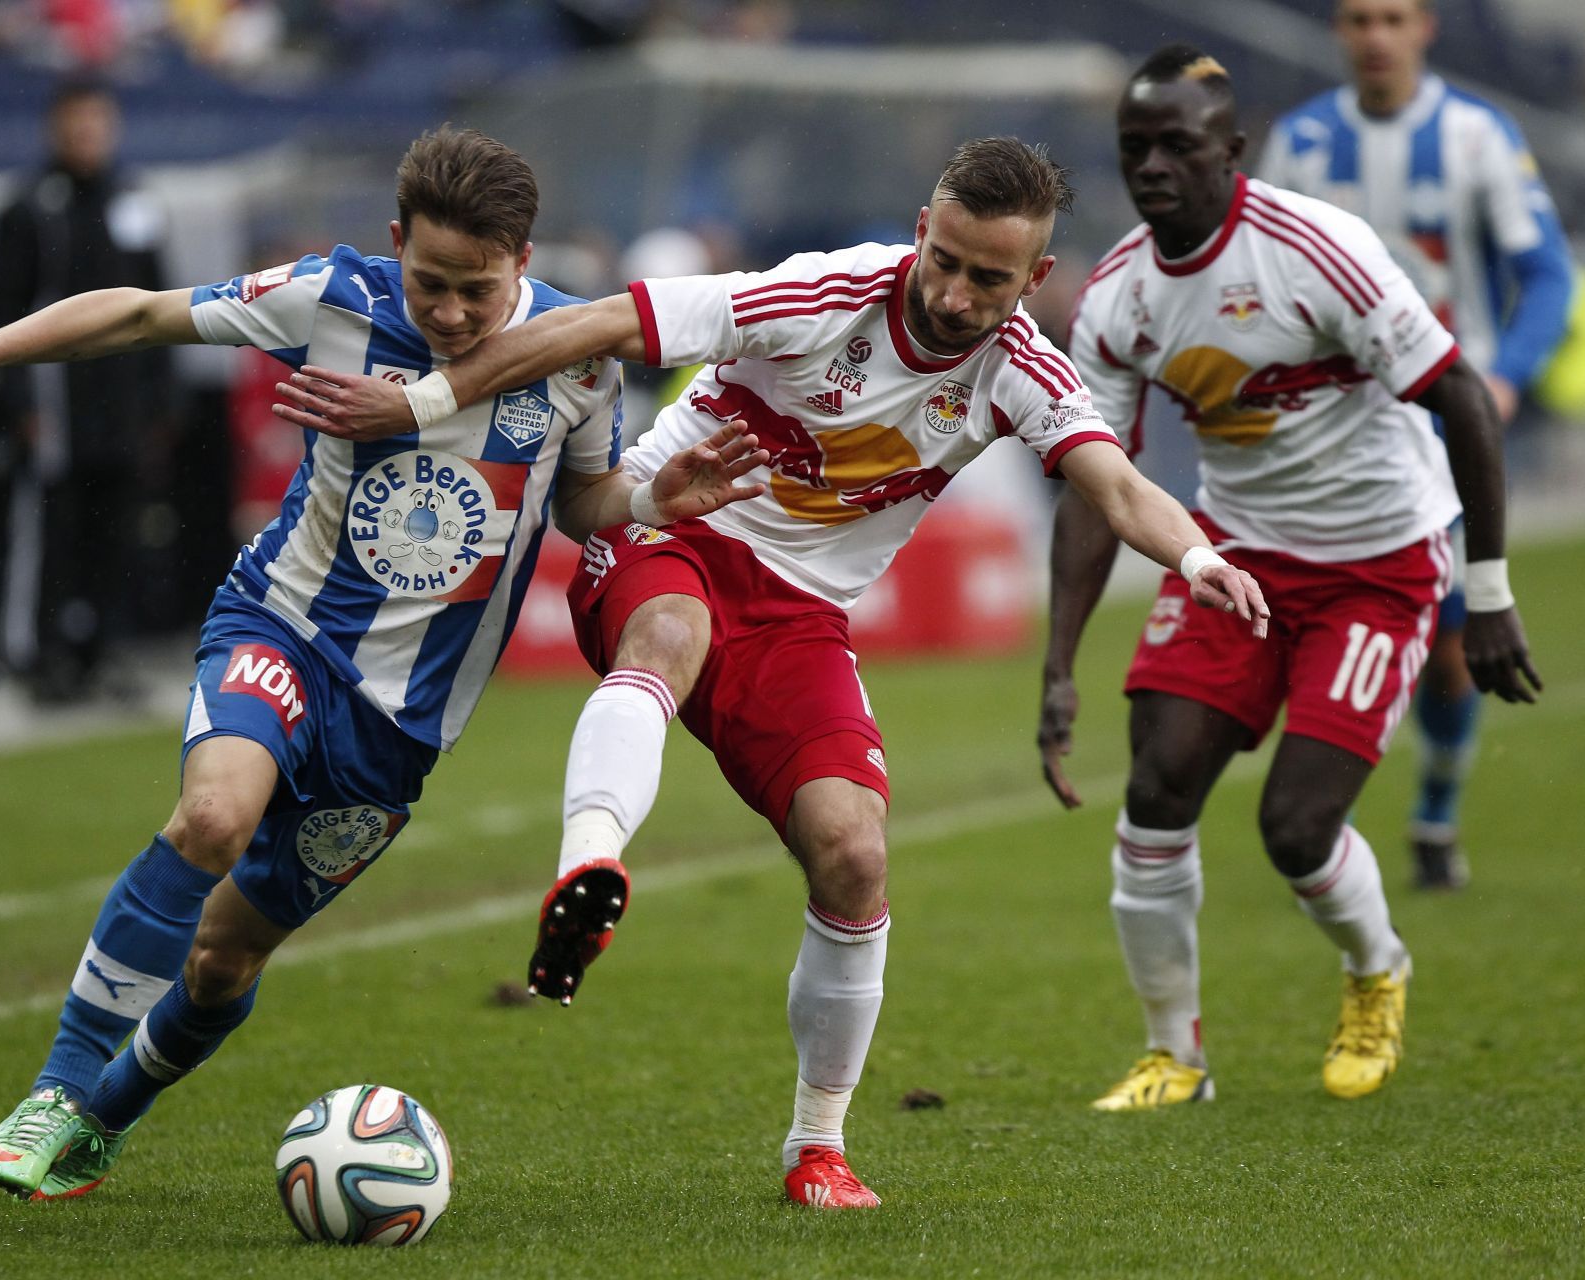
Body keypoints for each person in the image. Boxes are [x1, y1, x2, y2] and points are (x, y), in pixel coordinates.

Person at [278, 136, 1269, 1208]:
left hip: (800, 615)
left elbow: (1116, 486)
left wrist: (1201, 554)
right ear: (923, 225)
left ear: (1034, 280)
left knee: (852, 853)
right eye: (942, 256)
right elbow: (600, 322)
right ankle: (588, 866)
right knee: (669, 637)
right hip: (669, 531)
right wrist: (425, 401)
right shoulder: (822, 291)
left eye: (988, 278)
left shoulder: (1022, 368)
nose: (952, 290)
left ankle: (818, 1146)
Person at [0, 126, 773, 1200]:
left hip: (398, 729)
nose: (449, 313)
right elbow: (146, 313)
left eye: (476, 290)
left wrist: (653, 501)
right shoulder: (334, 297)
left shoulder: (576, 351)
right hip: (282, 626)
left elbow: (582, 499)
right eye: (430, 283)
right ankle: (59, 1087)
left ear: (523, 259)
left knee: (222, 961)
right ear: (397, 244)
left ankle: (105, 1116)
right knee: (212, 816)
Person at [1048, 45, 1541, 1113]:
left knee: (1295, 827)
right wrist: (1057, 665)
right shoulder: (1119, 293)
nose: (1153, 168)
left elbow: (1459, 398)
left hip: (1381, 563)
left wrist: (1488, 593)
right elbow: (1095, 482)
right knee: (1157, 783)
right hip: (1239, 556)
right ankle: (1173, 1051)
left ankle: (1377, 971)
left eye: (1178, 145)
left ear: (1231, 150)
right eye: (1135, 148)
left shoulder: (1320, 250)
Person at [1256, 0, 1573, 889]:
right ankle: (1327, 826)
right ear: (1339, 32)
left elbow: (1544, 271)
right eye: (1358, 19)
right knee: (1323, 622)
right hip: (1332, 434)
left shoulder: (1478, 136)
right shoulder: (1302, 143)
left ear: (1425, 26)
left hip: (1445, 428)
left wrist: (1505, 374)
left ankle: (1435, 807)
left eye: (1393, 18)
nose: (1376, 37)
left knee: (1447, 646)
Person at [0, 79, 171, 704]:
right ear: (55, 128)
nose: (88, 134)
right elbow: (2, 314)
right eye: (76, 122)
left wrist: (158, 401)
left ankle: (103, 654)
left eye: (98, 121)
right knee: (51, 534)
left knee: (114, 534)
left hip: (120, 406)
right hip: (57, 405)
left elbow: (159, 303)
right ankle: (41, 658)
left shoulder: (136, 201)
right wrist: (19, 403)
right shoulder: (29, 208)